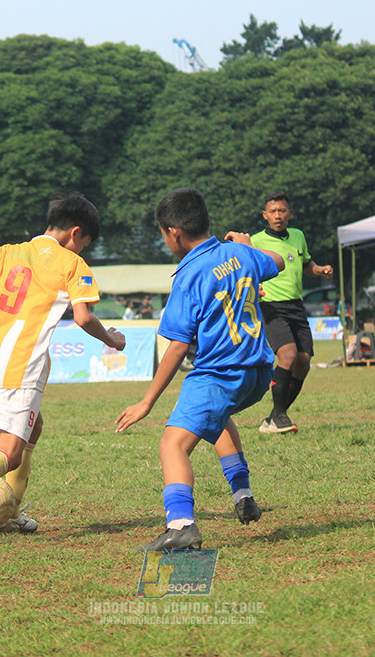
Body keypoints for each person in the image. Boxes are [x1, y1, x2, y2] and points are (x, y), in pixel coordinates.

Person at [0, 193, 126, 544]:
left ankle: (9, 513)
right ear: (76, 233)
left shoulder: (9, 251)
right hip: (23, 364)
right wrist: (111, 338)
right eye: (85, 244)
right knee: (10, 451)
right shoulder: (70, 263)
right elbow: (82, 317)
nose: (82, 252)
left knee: (34, 428)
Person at [115, 187, 285, 551]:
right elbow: (280, 262)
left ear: (173, 233)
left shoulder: (188, 275)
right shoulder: (239, 252)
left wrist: (146, 402)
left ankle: (181, 525)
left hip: (220, 373)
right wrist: (248, 246)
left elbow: (177, 346)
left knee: (172, 444)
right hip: (257, 373)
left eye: (163, 234)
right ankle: (243, 496)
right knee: (217, 418)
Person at [250, 191, 333, 434]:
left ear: (290, 214)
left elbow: (306, 264)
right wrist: (254, 287)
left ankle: (274, 416)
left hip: (296, 305)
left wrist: (319, 270)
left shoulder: (298, 236)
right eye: (273, 211)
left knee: (303, 362)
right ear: (265, 215)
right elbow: (245, 268)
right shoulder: (255, 241)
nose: (278, 215)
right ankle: (280, 416)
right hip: (271, 306)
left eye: (282, 210)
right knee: (287, 355)